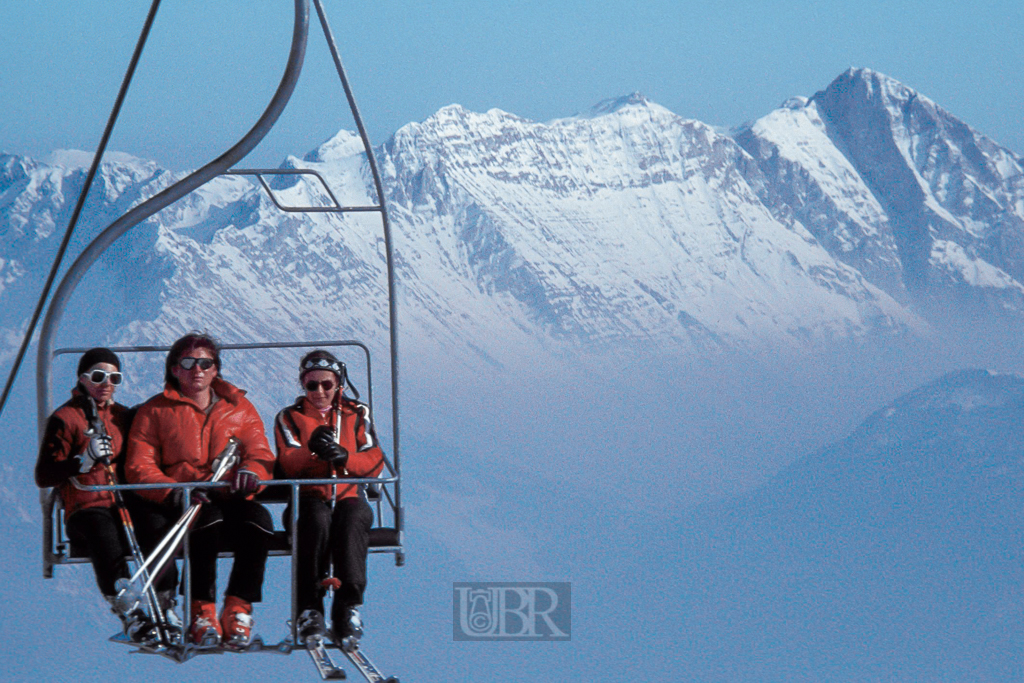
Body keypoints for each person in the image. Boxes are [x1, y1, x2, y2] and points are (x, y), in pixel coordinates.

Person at [125, 333, 275, 648]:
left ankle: (238, 608)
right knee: (207, 521)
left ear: (216, 370)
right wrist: (174, 492)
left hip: (227, 491)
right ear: (175, 369)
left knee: (259, 521)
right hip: (184, 498)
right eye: (189, 363)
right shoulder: (155, 411)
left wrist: (251, 473)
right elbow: (140, 465)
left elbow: (259, 451)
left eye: (205, 363)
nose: (198, 370)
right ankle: (201, 611)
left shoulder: (239, 408)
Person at [35, 348, 177, 643]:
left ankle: (166, 604)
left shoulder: (123, 417)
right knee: (103, 534)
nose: (106, 383)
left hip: (123, 503)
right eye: (99, 376)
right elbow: (44, 474)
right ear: (83, 378)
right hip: (85, 507)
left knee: (155, 526)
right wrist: (81, 461)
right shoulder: (66, 418)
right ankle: (131, 612)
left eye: (114, 377)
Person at [274, 350, 385, 644]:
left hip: (347, 495)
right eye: (312, 385)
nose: (320, 392)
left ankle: (348, 606)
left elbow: (374, 461)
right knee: (316, 520)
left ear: (338, 385)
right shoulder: (290, 417)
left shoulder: (356, 414)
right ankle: (309, 609)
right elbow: (288, 462)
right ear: (303, 386)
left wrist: (344, 457)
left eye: (327, 384)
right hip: (307, 497)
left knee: (351, 520)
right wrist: (314, 452)